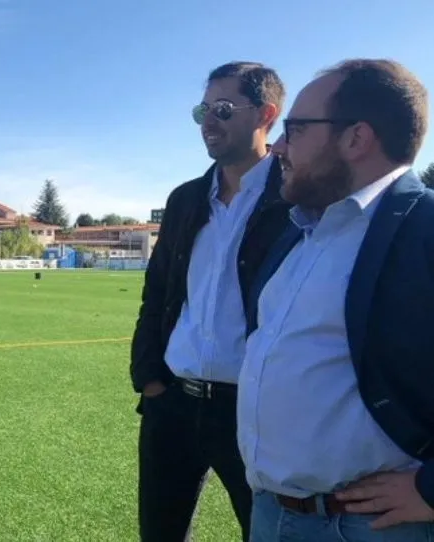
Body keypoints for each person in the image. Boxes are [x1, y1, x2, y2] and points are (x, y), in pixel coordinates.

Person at [241, 58, 434, 541]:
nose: (278, 146)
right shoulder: (300, 229)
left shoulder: (424, 227)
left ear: (356, 138)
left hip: (373, 527)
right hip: (272, 513)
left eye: (295, 129)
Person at [129, 61, 292, 541]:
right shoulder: (186, 199)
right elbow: (157, 291)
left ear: (266, 114)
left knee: (265, 533)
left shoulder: (295, 196)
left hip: (256, 411)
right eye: (203, 110)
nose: (208, 122)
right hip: (172, 404)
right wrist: (149, 379)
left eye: (223, 109)